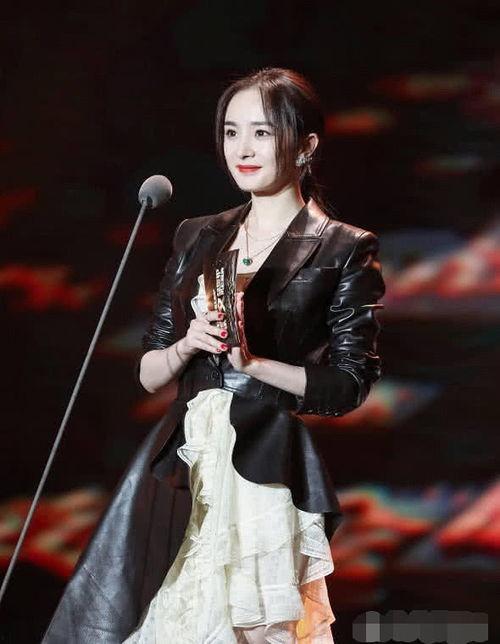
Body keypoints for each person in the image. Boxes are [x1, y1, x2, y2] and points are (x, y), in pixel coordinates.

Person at [42, 67, 385, 644]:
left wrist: (254, 365)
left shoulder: (343, 248)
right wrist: (187, 343)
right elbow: (149, 372)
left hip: (260, 465)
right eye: (231, 132)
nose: (242, 149)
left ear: (305, 146)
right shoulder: (196, 235)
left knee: (251, 627)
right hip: (184, 459)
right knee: (163, 617)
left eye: (261, 132)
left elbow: (349, 383)